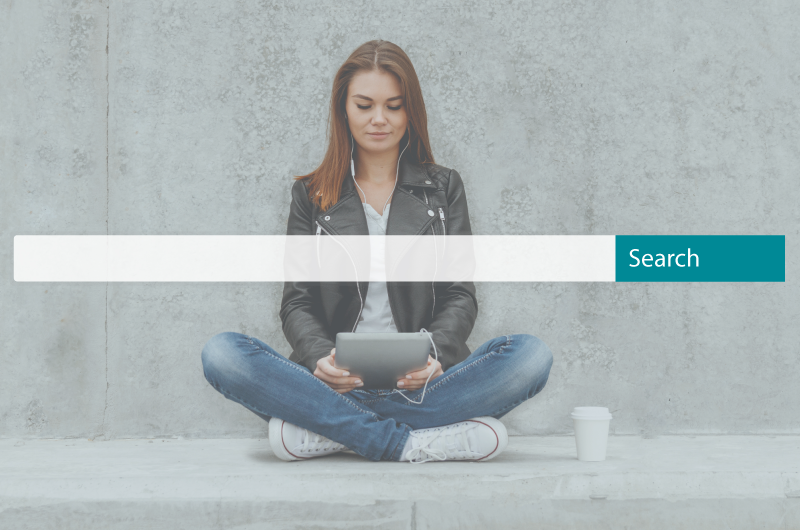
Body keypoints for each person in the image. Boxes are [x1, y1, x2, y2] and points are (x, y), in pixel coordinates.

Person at [201, 40, 553, 464]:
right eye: (365, 105)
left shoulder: (444, 189)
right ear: (343, 110)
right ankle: (406, 442)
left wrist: (434, 354)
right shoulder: (310, 195)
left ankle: (332, 430)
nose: (379, 119)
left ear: (411, 111)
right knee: (222, 353)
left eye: (394, 106)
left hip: (421, 384)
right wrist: (318, 358)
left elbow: (460, 294)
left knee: (530, 356)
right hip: (334, 382)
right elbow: (296, 300)